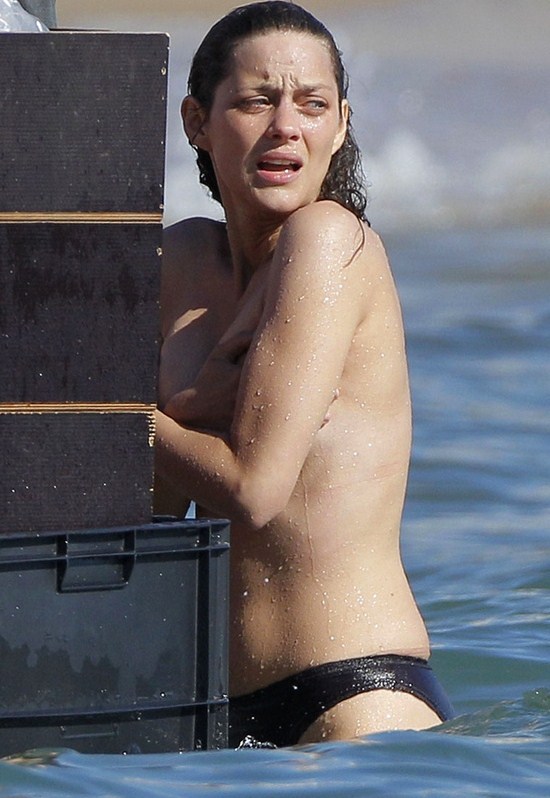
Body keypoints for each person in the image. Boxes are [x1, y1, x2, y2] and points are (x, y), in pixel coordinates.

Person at [154, 1, 453, 747]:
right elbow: (151, 516)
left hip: (354, 696)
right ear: (197, 121)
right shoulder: (183, 262)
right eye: (257, 101)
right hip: (215, 712)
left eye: (313, 105)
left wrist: (105, 416)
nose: (286, 125)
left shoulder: (329, 241)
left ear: (341, 125)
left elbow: (253, 492)